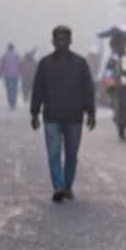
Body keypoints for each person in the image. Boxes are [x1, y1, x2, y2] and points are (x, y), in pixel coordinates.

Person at [30, 26, 96, 202]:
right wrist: (34, 113)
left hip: (74, 115)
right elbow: (38, 89)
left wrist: (91, 112)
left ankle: (67, 185)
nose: (61, 43)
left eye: (64, 40)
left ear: (70, 41)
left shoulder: (80, 63)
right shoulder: (45, 64)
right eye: (58, 40)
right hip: (51, 114)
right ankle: (58, 186)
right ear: (53, 41)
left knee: (72, 154)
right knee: (53, 151)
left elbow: (88, 89)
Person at [0, 43, 22, 110]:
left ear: (8, 48)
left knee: (9, 89)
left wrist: (0, 73)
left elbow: (2, 65)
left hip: (8, 75)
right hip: (15, 75)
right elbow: (20, 64)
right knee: (14, 89)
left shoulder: (5, 55)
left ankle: (10, 102)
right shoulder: (17, 55)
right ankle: (13, 102)